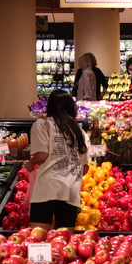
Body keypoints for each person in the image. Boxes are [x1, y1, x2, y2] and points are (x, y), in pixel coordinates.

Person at [25, 90, 90, 231]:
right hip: (70, 190)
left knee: (39, 239)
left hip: (47, 188)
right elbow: (84, 169)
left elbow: (42, 155)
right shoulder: (79, 131)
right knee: (64, 243)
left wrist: (30, 164)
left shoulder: (41, 125)